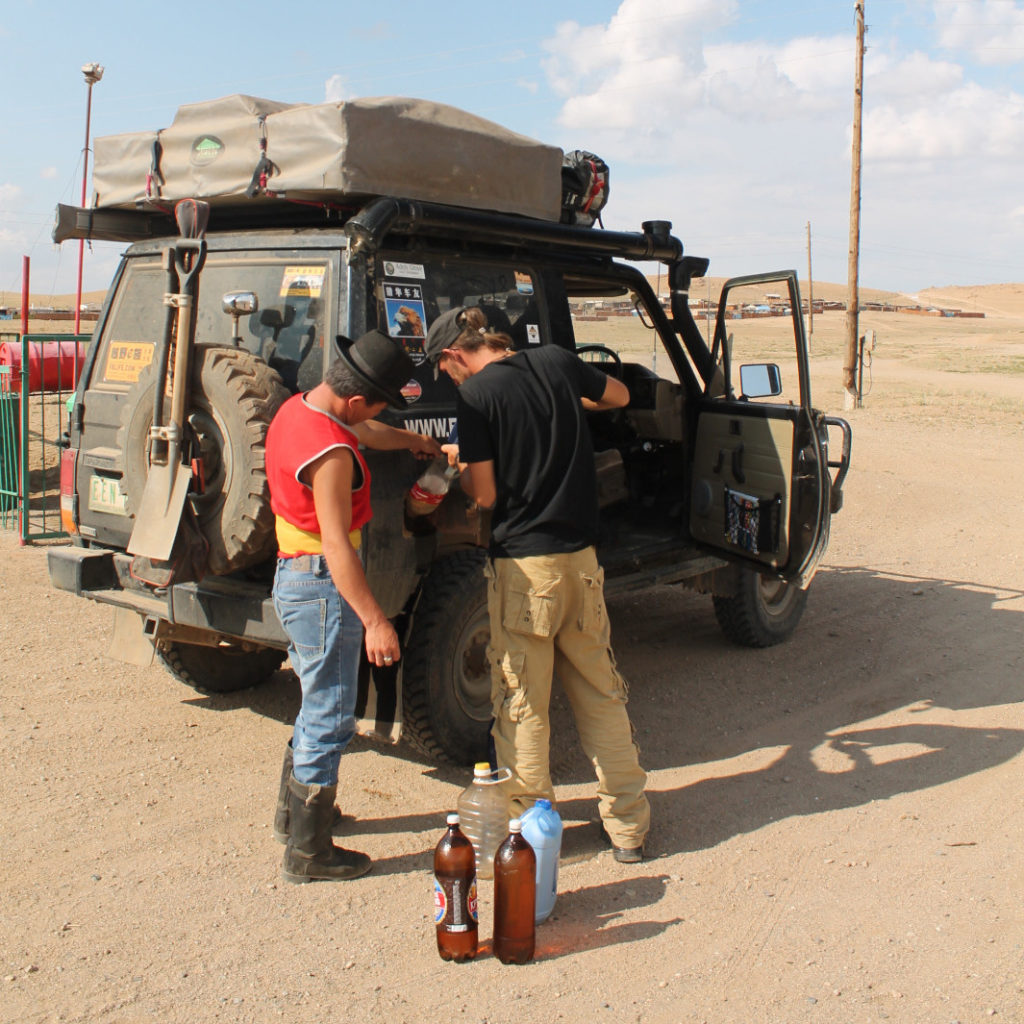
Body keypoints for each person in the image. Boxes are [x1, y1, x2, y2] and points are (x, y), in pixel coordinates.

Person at [425, 306, 650, 862]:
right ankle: (629, 826)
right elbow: (619, 396)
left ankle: (531, 834)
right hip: (583, 564)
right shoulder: (555, 360)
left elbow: (486, 496)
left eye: (445, 370)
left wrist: (466, 455)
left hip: (526, 570)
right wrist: (567, 402)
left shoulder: (476, 399)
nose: (450, 380)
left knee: (523, 703)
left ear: (456, 354)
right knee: (601, 692)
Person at [267, 329, 441, 883]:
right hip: (321, 584)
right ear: (356, 397)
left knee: (315, 698)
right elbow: (337, 544)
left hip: (293, 576)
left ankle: (296, 815)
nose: (379, 414)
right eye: (384, 401)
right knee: (332, 712)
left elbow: (367, 428)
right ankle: (309, 852)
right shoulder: (334, 453)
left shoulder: (301, 410)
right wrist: (375, 620)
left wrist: (419, 442)